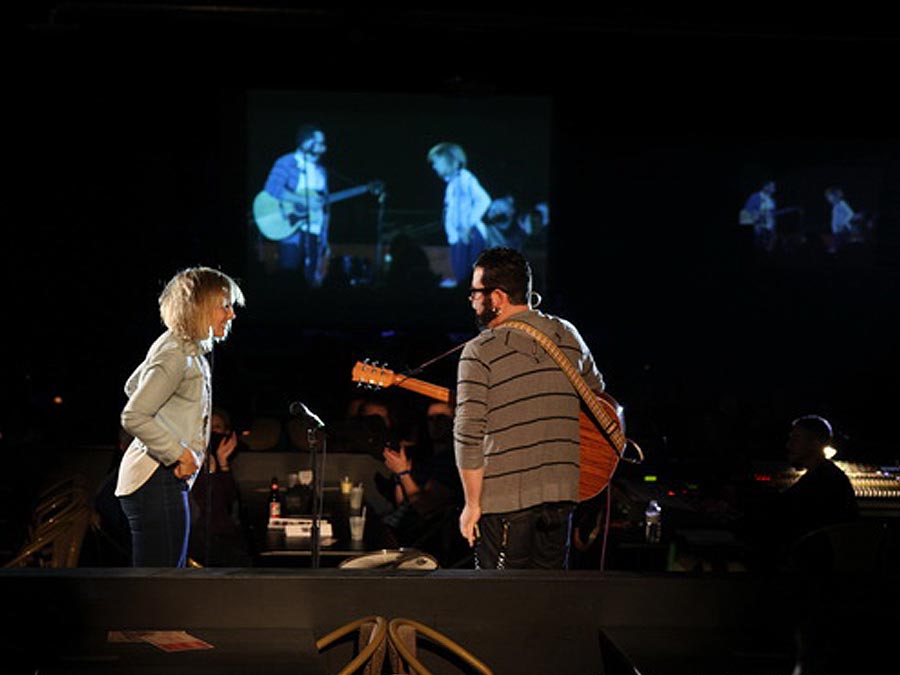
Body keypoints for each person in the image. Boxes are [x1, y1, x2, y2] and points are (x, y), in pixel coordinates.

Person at [454, 247, 606, 569]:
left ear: (497, 297)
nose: (471, 299)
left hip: (505, 500)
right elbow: (597, 396)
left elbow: (468, 435)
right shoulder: (567, 334)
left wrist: (471, 505)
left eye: (476, 292)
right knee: (549, 594)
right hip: (562, 496)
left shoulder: (480, 351)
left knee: (501, 597)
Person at [116, 266, 244, 567]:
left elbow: (132, 386)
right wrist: (179, 453)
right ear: (199, 307)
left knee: (165, 579)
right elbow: (134, 415)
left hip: (160, 480)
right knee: (161, 583)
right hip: (156, 479)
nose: (231, 314)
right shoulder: (176, 353)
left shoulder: (182, 349)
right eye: (224, 306)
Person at [262, 124, 330, 285]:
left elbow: (324, 207)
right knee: (289, 276)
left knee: (311, 279)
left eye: (323, 144)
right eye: (319, 143)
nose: (323, 148)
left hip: (315, 231)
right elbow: (272, 188)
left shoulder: (321, 171)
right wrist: (301, 200)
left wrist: (325, 238)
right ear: (306, 143)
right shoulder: (287, 162)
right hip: (290, 228)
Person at [189, 407, 252, 567]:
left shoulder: (227, 462)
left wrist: (222, 463)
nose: (212, 433)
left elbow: (228, 503)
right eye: (208, 428)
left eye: (217, 427)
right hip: (202, 539)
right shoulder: (191, 461)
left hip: (225, 537)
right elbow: (205, 507)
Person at [427, 142, 492, 286]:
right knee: (460, 277)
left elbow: (484, 200)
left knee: (467, 279)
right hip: (458, 237)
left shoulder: (465, 178)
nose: (434, 166)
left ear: (451, 160)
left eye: (437, 162)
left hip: (470, 235)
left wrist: (468, 225)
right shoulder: (452, 184)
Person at [740, 180, 778, 253]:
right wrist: (761, 217)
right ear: (765, 187)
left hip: (770, 234)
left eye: (774, 187)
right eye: (772, 186)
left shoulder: (773, 201)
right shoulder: (755, 197)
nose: (774, 189)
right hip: (758, 234)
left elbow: (773, 218)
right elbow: (745, 216)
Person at [824, 187, 856, 253]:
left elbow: (851, 213)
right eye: (828, 197)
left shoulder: (842, 203)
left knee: (838, 246)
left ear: (835, 196)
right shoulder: (835, 207)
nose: (829, 199)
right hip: (837, 231)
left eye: (830, 196)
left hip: (843, 230)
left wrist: (843, 223)